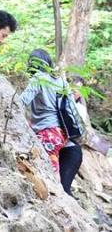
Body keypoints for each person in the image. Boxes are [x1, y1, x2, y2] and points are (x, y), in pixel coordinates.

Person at [19, 49, 83, 196]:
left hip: (47, 133)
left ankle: (54, 197)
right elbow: (72, 109)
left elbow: (21, 101)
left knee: (48, 177)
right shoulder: (61, 81)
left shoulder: (38, 79)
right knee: (53, 175)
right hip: (62, 134)